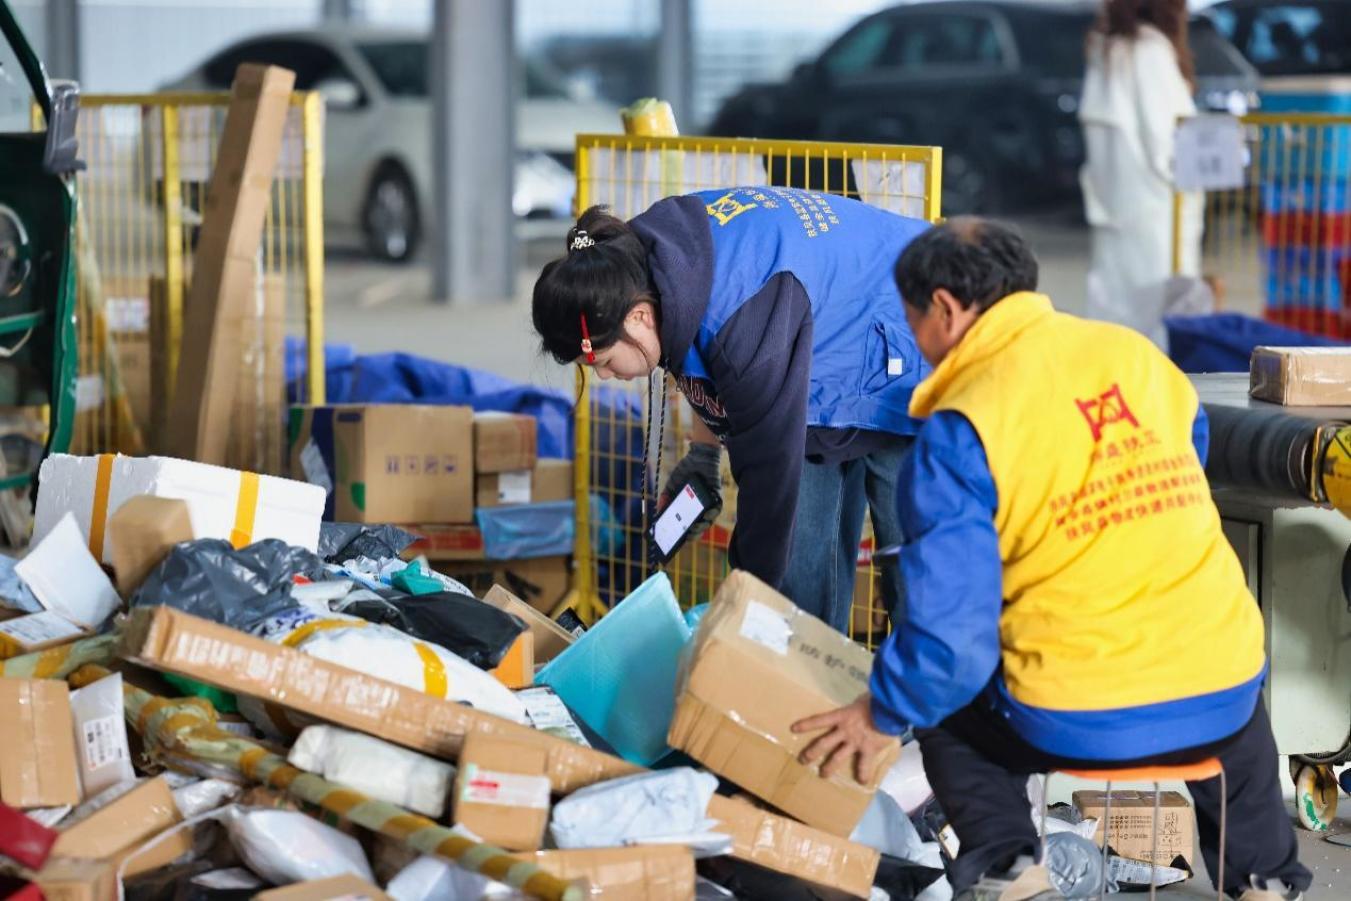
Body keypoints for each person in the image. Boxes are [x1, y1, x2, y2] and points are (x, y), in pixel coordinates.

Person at [792, 219, 1310, 901]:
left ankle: (1011, 871)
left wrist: (879, 712)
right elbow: (1193, 444)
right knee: (1231, 692)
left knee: (948, 712)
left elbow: (949, 646)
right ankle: (1267, 881)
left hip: (1072, 714)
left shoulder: (961, 426)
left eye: (910, 318)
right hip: (1220, 691)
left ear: (944, 309)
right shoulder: (1137, 358)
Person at [532, 187, 930, 632]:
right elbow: (700, 351)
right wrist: (704, 452)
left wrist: (744, 605)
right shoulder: (638, 265)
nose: (605, 376)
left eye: (602, 362)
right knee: (799, 591)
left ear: (638, 318)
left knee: (918, 578)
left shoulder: (743, 319)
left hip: (914, 331)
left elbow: (769, 480)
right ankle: (810, 669)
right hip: (822, 350)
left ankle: (939, 677)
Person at [1079, 0, 1203, 349]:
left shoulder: (1109, 49)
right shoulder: (1150, 52)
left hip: (1114, 202)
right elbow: (1164, 140)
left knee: (1114, 304)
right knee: (1157, 309)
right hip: (1155, 207)